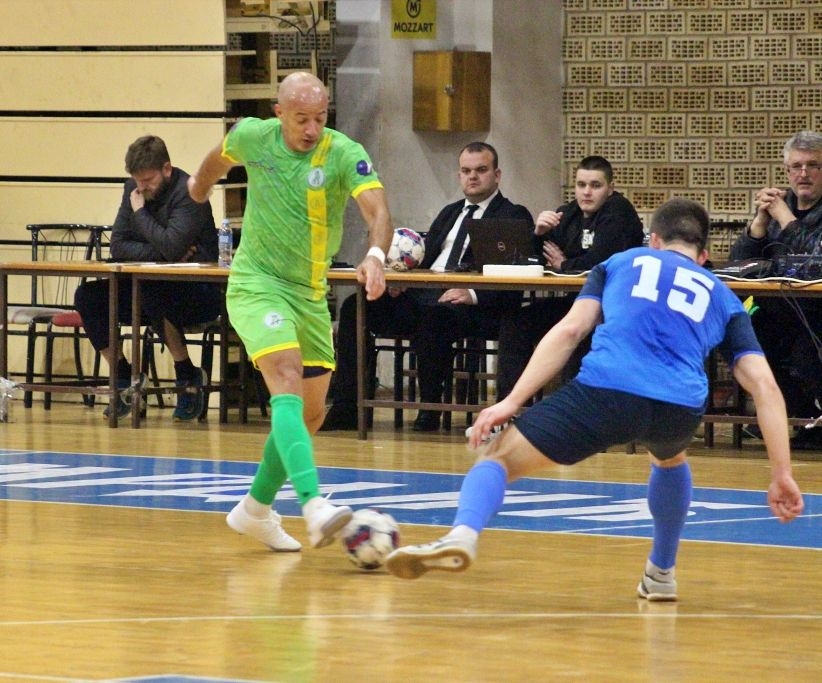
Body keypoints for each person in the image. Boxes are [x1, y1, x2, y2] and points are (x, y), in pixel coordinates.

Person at [385, 198, 804, 600]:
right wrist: (781, 472)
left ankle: (462, 535)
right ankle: (661, 574)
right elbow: (764, 387)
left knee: (497, 459)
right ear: (703, 255)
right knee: (671, 459)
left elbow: (570, 331)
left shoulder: (619, 262)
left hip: (607, 391)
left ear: (653, 240)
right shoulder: (724, 295)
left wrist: (511, 400)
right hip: (679, 409)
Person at [187, 71, 393, 552]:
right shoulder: (254, 136)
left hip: (310, 293)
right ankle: (313, 503)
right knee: (285, 373)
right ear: (280, 113)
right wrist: (198, 186)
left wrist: (376, 256)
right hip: (257, 284)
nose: (311, 128)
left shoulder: (344, 153)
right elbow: (218, 159)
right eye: (301, 119)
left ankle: (254, 510)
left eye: (320, 118)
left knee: (312, 413)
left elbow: (377, 212)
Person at [320, 141, 534, 432]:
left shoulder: (513, 214)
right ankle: (348, 407)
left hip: (474, 307)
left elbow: (515, 274)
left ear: (497, 175)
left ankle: (430, 407)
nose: (473, 177)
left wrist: (471, 293)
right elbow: (423, 258)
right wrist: (399, 281)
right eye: (466, 171)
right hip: (424, 296)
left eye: (481, 170)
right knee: (355, 307)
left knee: (435, 317)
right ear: (459, 175)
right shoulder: (449, 212)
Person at [74, 135, 221, 421]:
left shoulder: (190, 192)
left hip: (198, 291)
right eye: (137, 181)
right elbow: (117, 245)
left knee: (151, 289)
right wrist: (164, 251)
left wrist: (140, 213)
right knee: (88, 297)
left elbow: (171, 246)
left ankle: (187, 374)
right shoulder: (132, 187)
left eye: (148, 180)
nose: (141, 187)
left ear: (167, 169)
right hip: (151, 284)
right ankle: (124, 376)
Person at [496, 155, 644, 399]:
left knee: (578, 334)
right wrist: (539, 234)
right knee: (517, 321)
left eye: (595, 186)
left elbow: (599, 265)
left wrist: (565, 263)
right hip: (575, 302)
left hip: (613, 309)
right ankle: (508, 410)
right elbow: (538, 261)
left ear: (610, 189)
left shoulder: (619, 211)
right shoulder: (568, 212)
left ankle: (570, 419)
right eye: (581, 185)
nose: (586, 192)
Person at [730, 130, 822, 450]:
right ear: (786, 171)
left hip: (816, 310)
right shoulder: (775, 211)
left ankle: (810, 419)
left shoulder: (787, 212)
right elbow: (739, 268)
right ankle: (781, 414)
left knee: (804, 343)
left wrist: (787, 220)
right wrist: (757, 226)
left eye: (813, 166)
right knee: (745, 323)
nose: (803, 174)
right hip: (776, 306)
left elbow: (816, 263)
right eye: (796, 166)